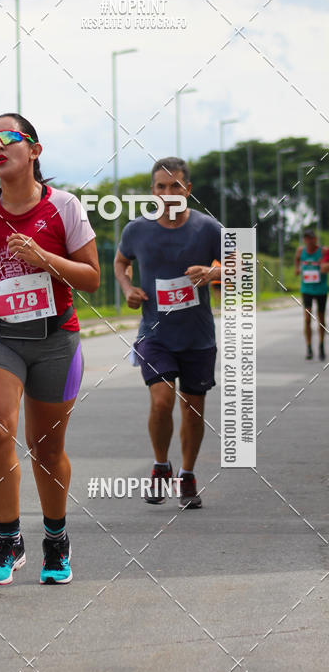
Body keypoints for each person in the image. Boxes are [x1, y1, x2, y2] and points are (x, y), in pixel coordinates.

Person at [0, 114, 99, 584]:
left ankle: (55, 539)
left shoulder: (66, 207)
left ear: (34, 150)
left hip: (55, 338)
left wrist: (46, 259)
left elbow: (92, 278)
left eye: (8, 139)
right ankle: (8, 538)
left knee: (46, 449)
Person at [114, 157, 221, 508]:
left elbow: (239, 266)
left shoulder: (208, 229)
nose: (168, 192)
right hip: (154, 334)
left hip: (197, 336)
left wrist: (211, 272)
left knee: (193, 409)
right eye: (161, 186)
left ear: (187, 190)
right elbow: (120, 261)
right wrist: (128, 288)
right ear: (152, 192)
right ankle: (161, 465)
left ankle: (187, 475)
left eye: (175, 186)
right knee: (162, 402)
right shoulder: (136, 230)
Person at [294, 229, 328, 360]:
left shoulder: (323, 251)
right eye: (306, 238)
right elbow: (297, 259)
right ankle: (308, 347)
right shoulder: (300, 251)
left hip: (321, 289)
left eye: (311, 238)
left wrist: (324, 266)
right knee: (307, 318)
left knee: (321, 319)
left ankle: (321, 345)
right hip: (306, 289)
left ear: (315, 240)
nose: (309, 241)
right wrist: (297, 268)